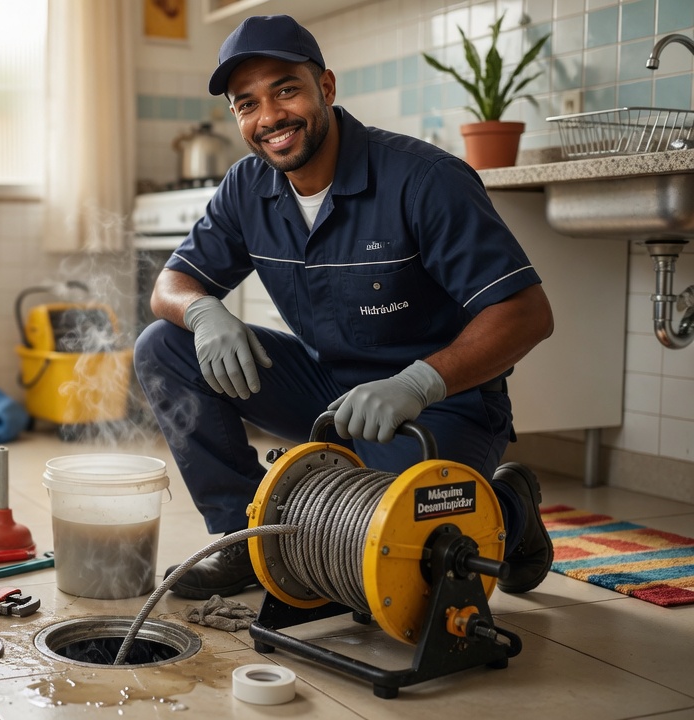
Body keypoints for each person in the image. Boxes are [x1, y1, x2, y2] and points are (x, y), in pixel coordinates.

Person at [134, 15, 556, 601]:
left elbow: (527, 313)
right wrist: (204, 313)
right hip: (324, 388)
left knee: (386, 560)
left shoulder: (424, 179)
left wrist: (418, 381)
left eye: (286, 90)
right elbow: (171, 284)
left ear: (325, 88)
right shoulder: (246, 187)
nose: (270, 118)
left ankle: (511, 506)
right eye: (246, 104)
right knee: (163, 344)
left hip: (438, 403)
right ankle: (243, 540)